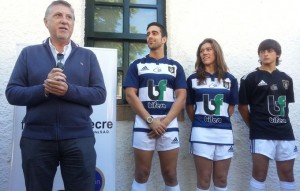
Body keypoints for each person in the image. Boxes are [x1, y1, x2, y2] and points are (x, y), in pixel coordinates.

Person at [5, 1, 106, 191]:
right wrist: (44, 89)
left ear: (73, 24)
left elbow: (100, 94)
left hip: (79, 138)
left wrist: (68, 90)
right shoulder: (29, 54)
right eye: (58, 16)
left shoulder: (88, 56)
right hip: (37, 139)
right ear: (46, 21)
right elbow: (12, 93)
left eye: (69, 17)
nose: (64, 21)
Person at [123, 22, 187, 191]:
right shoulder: (136, 64)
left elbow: (182, 96)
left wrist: (164, 123)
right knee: (142, 174)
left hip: (169, 126)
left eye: (154, 33)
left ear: (164, 38)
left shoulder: (175, 66)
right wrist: (151, 120)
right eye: (148, 34)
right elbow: (130, 94)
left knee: (170, 174)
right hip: (144, 125)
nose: (150, 36)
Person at [238, 39, 297, 191]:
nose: (265, 54)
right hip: (261, 133)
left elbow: (286, 106)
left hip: (285, 132)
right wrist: (254, 125)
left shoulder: (286, 78)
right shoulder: (250, 78)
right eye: (262, 51)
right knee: (259, 173)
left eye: (269, 51)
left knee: (288, 174)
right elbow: (242, 107)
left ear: (277, 54)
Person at [186, 38, 238, 191]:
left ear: (216, 52)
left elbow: (231, 108)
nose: (204, 53)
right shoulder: (193, 79)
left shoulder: (230, 79)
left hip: (224, 133)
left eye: (208, 49)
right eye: (201, 51)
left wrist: (218, 120)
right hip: (201, 133)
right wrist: (200, 122)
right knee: (204, 179)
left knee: (221, 179)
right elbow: (189, 107)